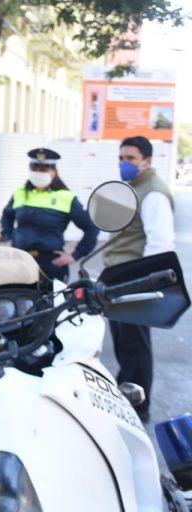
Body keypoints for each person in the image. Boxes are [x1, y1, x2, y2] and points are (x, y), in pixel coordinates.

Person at [103, 135, 174, 423]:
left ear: (147, 160)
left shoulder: (153, 193)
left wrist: (144, 285)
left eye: (131, 158)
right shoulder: (134, 188)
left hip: (134, 281)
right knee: (125, 343)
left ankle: (138, 405)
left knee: (134, 345)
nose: (125, 163)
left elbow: (160, 244)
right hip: (119, 278)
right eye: (121, 158)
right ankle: (128, 394)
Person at [1, 147, 99, 282]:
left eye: (44, 169)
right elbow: (7, 215)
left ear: (54, 171)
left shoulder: (66, 197)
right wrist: (9, 237)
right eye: (35, 168)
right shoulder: (20, 193)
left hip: (51, 264)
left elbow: (91, 227)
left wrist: (75, 255)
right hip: (20, 260)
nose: (38, 173)